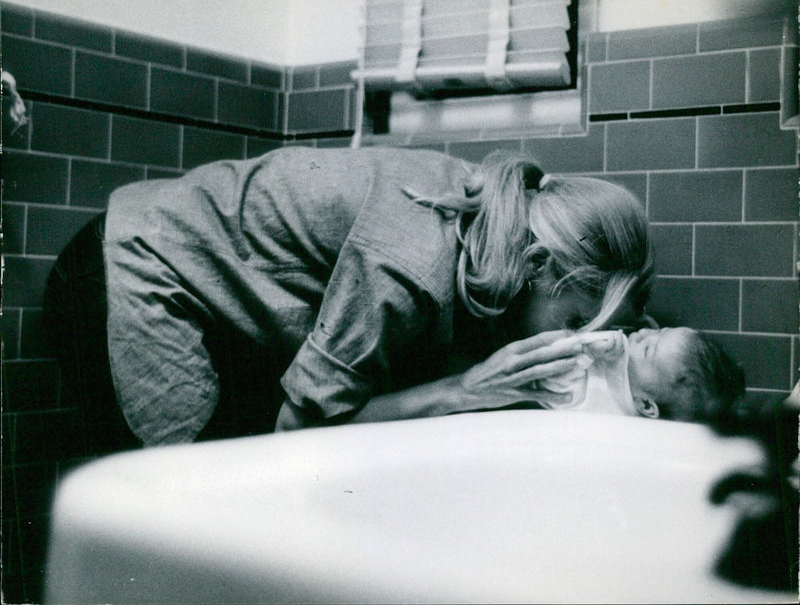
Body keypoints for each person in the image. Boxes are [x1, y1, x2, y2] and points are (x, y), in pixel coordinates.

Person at [44, 147, 654, 450]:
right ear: (539, 265)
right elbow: (298, 429)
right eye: (576, 320)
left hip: (205, 291)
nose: (575, 343)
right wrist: (465, 390)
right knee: (191, 497)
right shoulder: (415, 261)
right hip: (127, 268)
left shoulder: (504, 214)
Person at [522, 327, 745, 423]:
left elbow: (544, 380)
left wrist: (585, 350)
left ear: (647, 405)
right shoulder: (629, 382)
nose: (643, 333)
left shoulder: (595, 385)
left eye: (648, 348)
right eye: (660, 331)